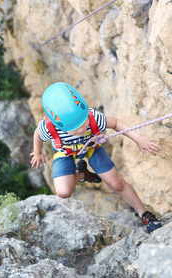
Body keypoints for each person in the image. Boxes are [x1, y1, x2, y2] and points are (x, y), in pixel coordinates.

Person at [30, 82, 162, 233]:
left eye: (83, 124)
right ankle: (82, 173)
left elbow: (117, 123)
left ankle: (144, 213)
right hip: (65, 152)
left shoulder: (93, 116)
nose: (81, 130)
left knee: (116, 184)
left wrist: (138, 138)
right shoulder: (48, 126)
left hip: (92, 147)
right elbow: (38, 135)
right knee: (63, 192)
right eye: (75, 129)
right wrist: (37, 151)